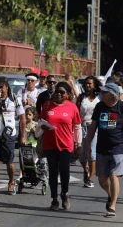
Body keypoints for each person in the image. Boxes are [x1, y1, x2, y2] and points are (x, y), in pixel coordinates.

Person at [85, 83, 123, 218]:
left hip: (118, 148)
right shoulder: (99, 106)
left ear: (112, 94)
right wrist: (87, 147)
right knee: (102, 179)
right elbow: (92, 128)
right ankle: (110, 194)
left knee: (113, 176)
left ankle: (112, 206)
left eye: (104, 92)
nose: (101, 94)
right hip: (101, 148)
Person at [40, 82, 82, 210]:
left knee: (64, 171)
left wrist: (78, 144)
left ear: (68, 94)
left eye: (62, 92)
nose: (58, 93)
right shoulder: (47, 105)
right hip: (50, 144)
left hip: (66, 145)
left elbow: (77, 127)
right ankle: (54, 199)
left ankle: (65, 193)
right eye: (57, 91)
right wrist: (41, 128)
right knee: (52, 172)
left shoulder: (72, 107)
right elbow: (40, 123)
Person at [76, 76, 102, 188]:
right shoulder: (82, 97)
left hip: (95, 127)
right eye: (86, 83)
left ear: (94, 85)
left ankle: (90, 179)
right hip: (82, 126)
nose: (88, 85)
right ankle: (85, 169)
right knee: (81, 156)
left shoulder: (99, 97)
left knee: (92, 154)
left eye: (90, 83)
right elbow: (76, 112)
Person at [17, 106, 38, 181]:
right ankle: (21, 174)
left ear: (33, 116)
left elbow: (38, 136)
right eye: (26, 114)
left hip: (33, 145)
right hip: (24, 145)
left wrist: (34, 131)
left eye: (29, 115)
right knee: (23, 161)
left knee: (33, 161)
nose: (27, 116)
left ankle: (35, 173)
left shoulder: (35, 124)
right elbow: (20, 134)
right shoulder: (23, 124)